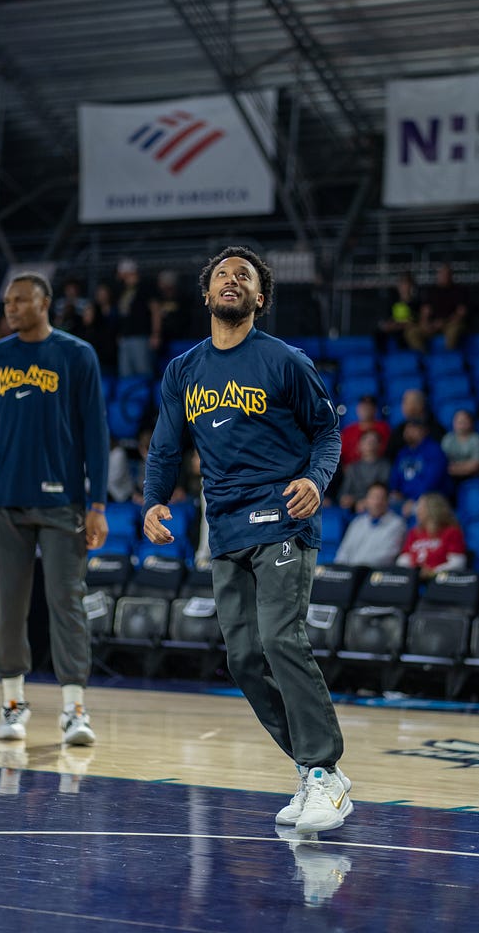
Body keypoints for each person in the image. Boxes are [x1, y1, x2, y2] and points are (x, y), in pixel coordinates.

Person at [142, 246, 352, 834]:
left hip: (284, 519)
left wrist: (315, 478)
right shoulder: (184, 371)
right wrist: (154, 498)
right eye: (222, 276)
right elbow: (166, 447)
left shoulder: (285, 361)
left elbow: (327, 433)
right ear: (206, 295)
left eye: (245, 277)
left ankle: (321, 770)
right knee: (241, 657)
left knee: (281, 639)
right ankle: (318, 775)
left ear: (260, 298)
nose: (231, 281)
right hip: (225, 528)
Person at [0, 272, 110, 747]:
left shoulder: (77, 354)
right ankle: (12, 701)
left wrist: (98, 503)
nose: (11, 308)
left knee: (68, 604)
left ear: (44, 303)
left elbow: (95, 433)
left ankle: (74, 710)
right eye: (7, 302)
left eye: (20, 301)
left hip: (63, 502)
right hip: (4, 502)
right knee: (8, 607)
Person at [389, 416, 450, 521]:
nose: (408, 432)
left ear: (424, 431)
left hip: (429, 500)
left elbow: (431, 482)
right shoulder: (403, 453)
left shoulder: (434, 451)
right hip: (404, 500)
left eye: (413, 428)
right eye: (407, 429)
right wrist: (395, 491)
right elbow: (395, 477)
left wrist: (414, 500)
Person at [395, 492, 467, 580]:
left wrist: (434, 572)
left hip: (441, 582)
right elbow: (403, 559)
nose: (417, 510)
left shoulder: (451, 532)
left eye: (421, 507)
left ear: (432, 509)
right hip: (414, 580)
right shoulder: (414, 532)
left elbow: (458, 563)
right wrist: (413, 571)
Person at [333, 481, 406, 567]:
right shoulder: (357, 522)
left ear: (387, 501)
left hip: (374, 574)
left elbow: (387, 555)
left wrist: (356, 568)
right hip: (350, 574)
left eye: (381, 498)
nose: (377, 502)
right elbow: (344, 550)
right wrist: (339, 569)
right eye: (373, 497)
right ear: (366, 500)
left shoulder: (397, 524)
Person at [115, 258, 155, 377]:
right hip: (125, 336)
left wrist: (155, 333)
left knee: (143, 371)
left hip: (141, 335)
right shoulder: (123, 289)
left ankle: (146, 396)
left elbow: (155, 311)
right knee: (125, 373)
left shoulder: (145, 287)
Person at [337, 429, 391, 513]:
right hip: (354, 507)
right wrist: (348, 499)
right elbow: (344, 493)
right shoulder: (353, 467)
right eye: (366, 440)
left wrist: (366, 501)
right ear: (359, 445)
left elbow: (382, 491)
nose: (370, 444)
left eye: (373, 441)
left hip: (378, 505)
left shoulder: (385, 466)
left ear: (380, 445)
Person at [339, 394, 390, 467]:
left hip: (376, 470)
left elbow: (385, 452)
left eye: (369, 407)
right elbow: (342, 454)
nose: (365, 409)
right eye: (363, 406)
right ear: (358, 408)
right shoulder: (348, 430)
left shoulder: (383, 428)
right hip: (351, 472)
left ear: (375, 409)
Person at [441, 408, 479, 485]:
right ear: (454, 423)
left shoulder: (477, 439)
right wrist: (465, 466)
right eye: (459, 422)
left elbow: (475, 465)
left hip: (472, 477)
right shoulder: (448, 438)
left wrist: (455, 468)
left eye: (465, 421)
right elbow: (442, 462)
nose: (461, 424)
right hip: (449, 477)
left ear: (471, 423)